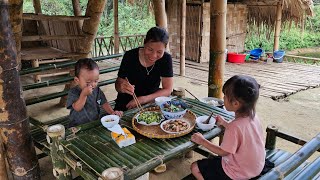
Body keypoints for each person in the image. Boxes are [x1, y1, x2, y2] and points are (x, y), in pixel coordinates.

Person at [190, 75, 265, 180]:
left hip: (237, 173)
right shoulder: (254, 116)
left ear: (235, 103)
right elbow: (243, 132)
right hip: (256, 167)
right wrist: (225, 123)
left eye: (225, 96)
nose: (223, 98)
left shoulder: (234, 127)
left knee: (194, 167)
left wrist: (202, 141)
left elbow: (223, 152)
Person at [114, 26, 173, 111]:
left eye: (159, 52)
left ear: (165, 49)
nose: (153, 55)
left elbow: (168, 89)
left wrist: (143, 99)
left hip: (151, 103)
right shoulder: (130, 56)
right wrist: (121, 86)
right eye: (150, 49)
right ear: (144, 43)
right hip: (127, 104)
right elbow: (118, 85)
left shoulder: (166, 59)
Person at [67, 58, 123, 127]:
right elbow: (77, 107)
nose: (93, 84)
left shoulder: (96, 90)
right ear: (77, 80)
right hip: (77, 125)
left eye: (96, 81)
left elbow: (104, 102)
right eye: (88, 82)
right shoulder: (73, 92)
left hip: (94, 121)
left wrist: (112, 112)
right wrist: (83, 95)